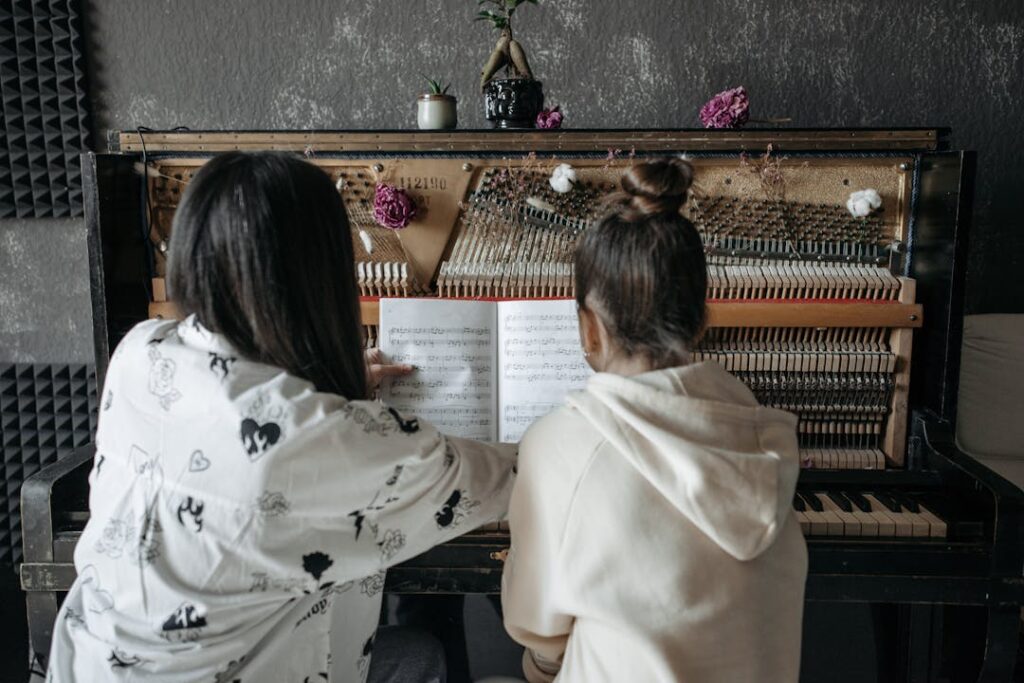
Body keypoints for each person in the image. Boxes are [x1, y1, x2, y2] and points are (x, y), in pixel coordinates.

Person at [46, 151, 517, 682]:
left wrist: (321, 389)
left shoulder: (141, 349)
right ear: (319, 277)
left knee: (417, 654)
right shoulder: (308, 438)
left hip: (91, 665)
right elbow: (504, 478)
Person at [501, 158, 808, 682]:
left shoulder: (562, 445)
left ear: (589, 330)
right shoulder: (760, 434)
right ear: (701, 320)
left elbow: (540, 632)